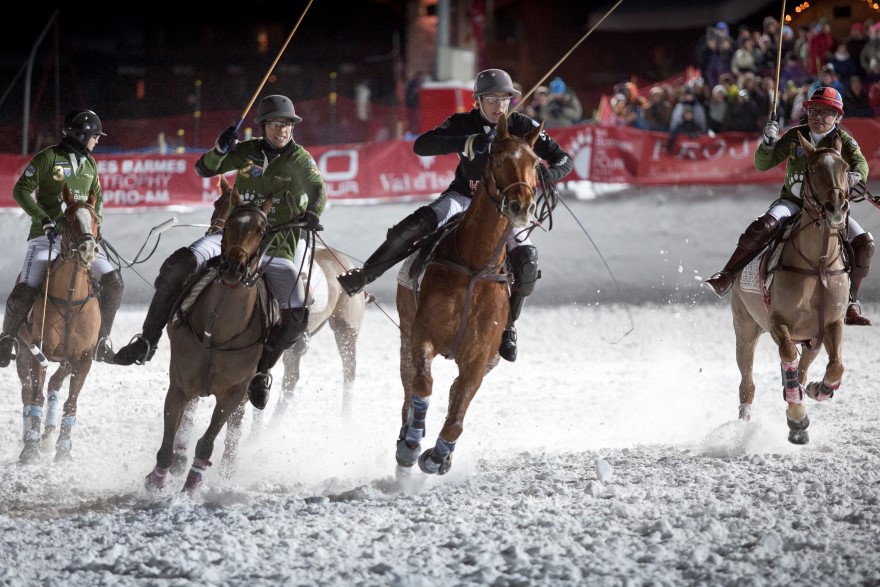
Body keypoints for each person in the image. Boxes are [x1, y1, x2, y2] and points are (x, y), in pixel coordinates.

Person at [336, 68, 573, 362]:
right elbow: (422, 145)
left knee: (526, 264)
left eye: (504, 99)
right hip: (464, 196)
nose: (499, 106)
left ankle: (509, 326)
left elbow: (563, 158)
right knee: (417, 224)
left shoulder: (523, 125)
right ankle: (366, 274)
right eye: (491, 99)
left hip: (502, 208)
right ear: (478, 101)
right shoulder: (463, 122)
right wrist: (467, 142)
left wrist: (549, 173)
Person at [113, 94, 327, 409]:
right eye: (276, 124)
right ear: (264, 126)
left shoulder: (300, 160)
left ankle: (261, 371)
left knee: (297, 314)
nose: (282, 130)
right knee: (179, 264)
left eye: (287, 124)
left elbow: (318, 190)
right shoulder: (247, 152)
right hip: (232, 237)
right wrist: (220, 149)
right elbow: (204, 169)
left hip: (276, 246)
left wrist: (314, 214)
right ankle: (147, 340)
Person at [704, 86, 873, 325]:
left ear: (838, 117)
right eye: (814, 111)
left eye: (826, 113)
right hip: (793, 202)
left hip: (828, 209)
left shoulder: (843, 140)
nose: (818, 117)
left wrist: (856, 176)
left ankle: (850, 302)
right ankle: (727, 275)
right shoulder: (795, 136)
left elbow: (861, 163)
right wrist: (768, 143)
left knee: (864, 244)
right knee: (762, 226)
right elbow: (763, 164)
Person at [0, 109, 123, 368]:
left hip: (79, 242)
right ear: (82, 134)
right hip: (46, 239)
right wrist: (42, 219)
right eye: (95, 136)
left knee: (114, 281)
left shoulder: (90, 165)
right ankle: (6, 340)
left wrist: (93, 227)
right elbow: (20, 190)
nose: (97, 141)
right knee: (25, 289)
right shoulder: (49, 157)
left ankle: (101, 341)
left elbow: (97, 198)